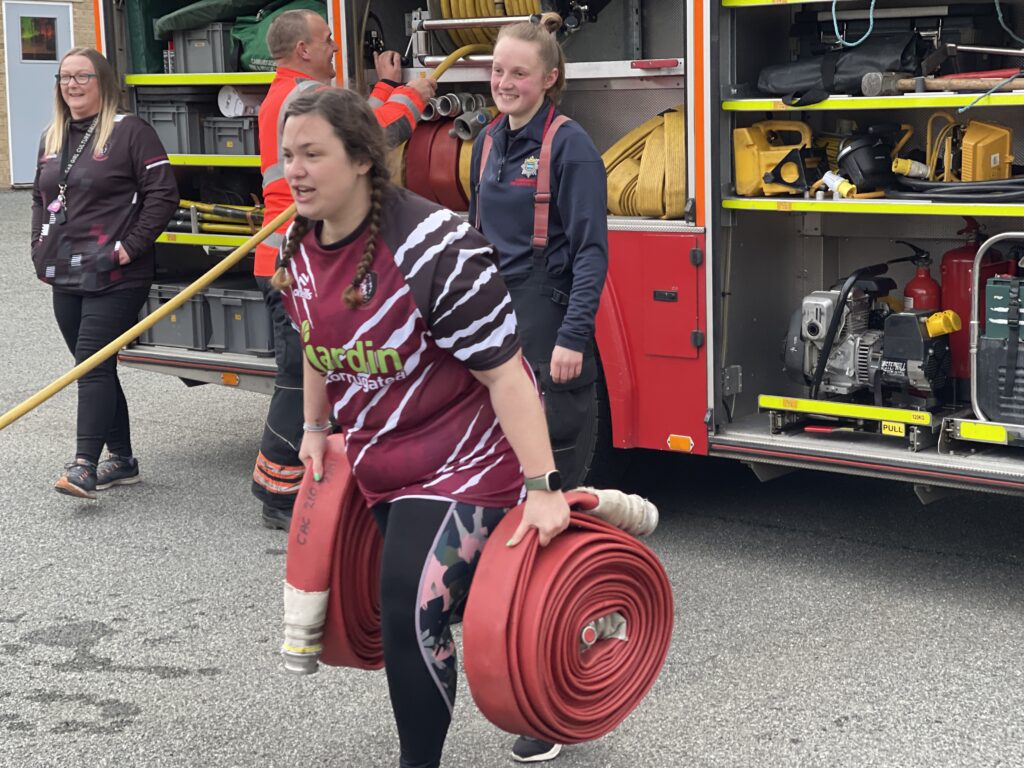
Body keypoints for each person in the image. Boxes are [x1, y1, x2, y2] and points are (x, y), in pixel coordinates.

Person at [274, 87, 569, 768]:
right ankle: (545, 686)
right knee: (455, 606)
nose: (295, 169)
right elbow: (313, 337)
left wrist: (544, 487)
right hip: (384, 465)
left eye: (313, 154)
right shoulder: (300, 242)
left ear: (361, 160)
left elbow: (508, 376)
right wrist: (316, 426)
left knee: (412, 608)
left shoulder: (435, 247)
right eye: (289, 154)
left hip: (468, 459)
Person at [468, 19, 609, 763]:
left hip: (548, 324)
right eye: (497, 70)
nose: (504, 82)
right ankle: (512, 652)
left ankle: (552, 703)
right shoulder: (489, 142)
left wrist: (572, 338)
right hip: (495, 329)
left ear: (549, 78)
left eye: (519, 73)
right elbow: (470, 241)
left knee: (548, 520)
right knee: (503, 514)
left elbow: (591, 251)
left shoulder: (570, 147)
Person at [252, 8, 437, 531]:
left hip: (285, 257)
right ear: (304, 50)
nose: (336, 47)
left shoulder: (290, 94)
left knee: (311, 373)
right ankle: (279, 493)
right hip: (293, 259)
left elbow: (353, 129)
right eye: (328, 40)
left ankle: (297, 482)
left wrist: (381, 86)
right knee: (298, 379)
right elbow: (378, 136)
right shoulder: (301, 100)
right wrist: (413, 93)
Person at [31, 47, 178, 499]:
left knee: (92, 364)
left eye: (83, 77)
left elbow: (163, 195)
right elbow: (40, 199)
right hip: (64, 270)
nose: (72, 85)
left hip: (116, 274)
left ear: (104, 82)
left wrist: (127, 250)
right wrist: (37, 248)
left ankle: (83, 465)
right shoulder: (52, 136)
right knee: (92, 365)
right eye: (65, 77)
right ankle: (124, 459)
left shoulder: (130, 132)